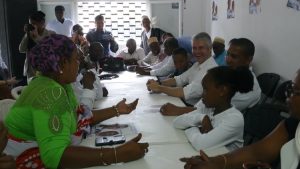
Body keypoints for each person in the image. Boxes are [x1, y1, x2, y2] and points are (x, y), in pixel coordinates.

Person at [4, 34, 149, 168]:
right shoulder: (50, 92)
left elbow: (79, 116)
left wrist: (116, 110)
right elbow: (56, 156)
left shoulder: (58, 84)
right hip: (21, 161)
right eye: (75, 59)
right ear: (62, 64)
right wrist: (116, 154)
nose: (79, 63)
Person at [180, 68, 300, 169]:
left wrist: (192, 126)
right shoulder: (292, 124)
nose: (288, 97)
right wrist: (214, 162)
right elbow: (255, 152)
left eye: (295, 91)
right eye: (290, 89)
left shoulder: (234, 117)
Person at [158, 37, 261, 115]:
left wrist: (177, 110)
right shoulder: (229, 74)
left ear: (249, 60)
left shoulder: (249, 86)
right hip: (199, 114)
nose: (228, 60)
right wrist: (159, 85)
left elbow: (207, 110)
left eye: (234, 56)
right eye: (228, 55)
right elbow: (181, 80)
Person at [174, 66, 254, 151]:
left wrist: (190, 127)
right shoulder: (209, 108)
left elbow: (200, 144)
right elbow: (177, 122)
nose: (202, 94)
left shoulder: (235, 119)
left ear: (222, 91)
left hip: (223, 163)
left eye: (205, 89)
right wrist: (201, 118)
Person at [147, 33, 217, 106]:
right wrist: (158, 83)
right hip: (184, 103)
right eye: (194, 48)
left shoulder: (211, 70)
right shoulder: (197, 64)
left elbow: (184, 92)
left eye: (201, 48)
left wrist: (159, 87)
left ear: (209, 48)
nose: (197, 52)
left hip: (192, 110)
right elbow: (179, 79)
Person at [19, 11, 56, 80]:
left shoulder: (51, 34)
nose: (32, 26)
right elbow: (21, 49)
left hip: (46, 70)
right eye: (30, 24)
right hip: (31, 70)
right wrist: (27, 34)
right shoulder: (29, 34)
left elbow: (50, 51)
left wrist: (36, 37)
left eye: (34, 24)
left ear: (42, 22)